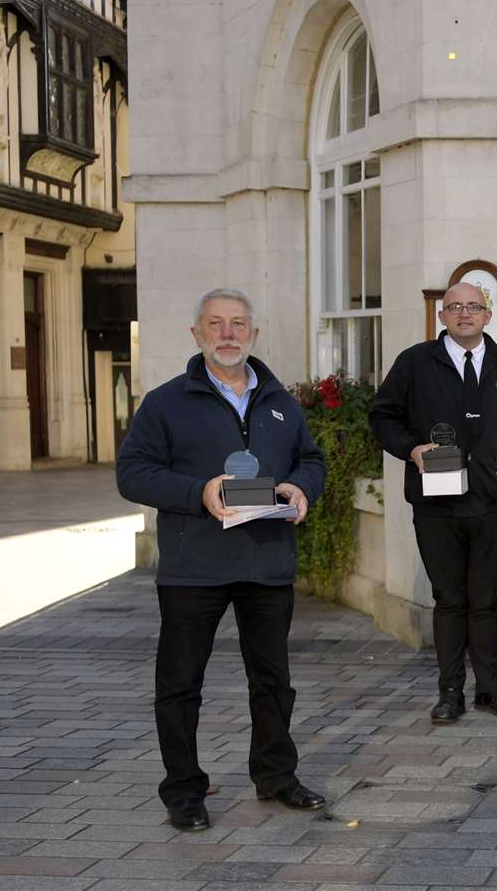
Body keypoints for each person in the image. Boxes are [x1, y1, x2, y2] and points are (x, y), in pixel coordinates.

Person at [117, 288, 328, 832]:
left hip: (266, 560)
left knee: (273, 680)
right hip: (195, 565)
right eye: (216, 324)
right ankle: (184, 791)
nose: (227, 334)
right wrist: (199, 491)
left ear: (253, 334)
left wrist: (302, 488)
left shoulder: (280, 400)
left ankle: (277, 777)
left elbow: (311, 459)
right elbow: (133, 473)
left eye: (237, 324)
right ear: (197, 334)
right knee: (181, 683)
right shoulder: (165, 402)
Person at [370, 281, 497, 723]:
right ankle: (450, 692)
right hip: (437, 504)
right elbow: (382, 416)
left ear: (488, 315)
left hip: (493, 503)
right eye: (454, 307)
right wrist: (412, 449)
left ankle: (490, 689)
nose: (464, 313)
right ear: (441, 316)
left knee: (486, 600)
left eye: (473, 307)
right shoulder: (414, 363)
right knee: (449, 599)